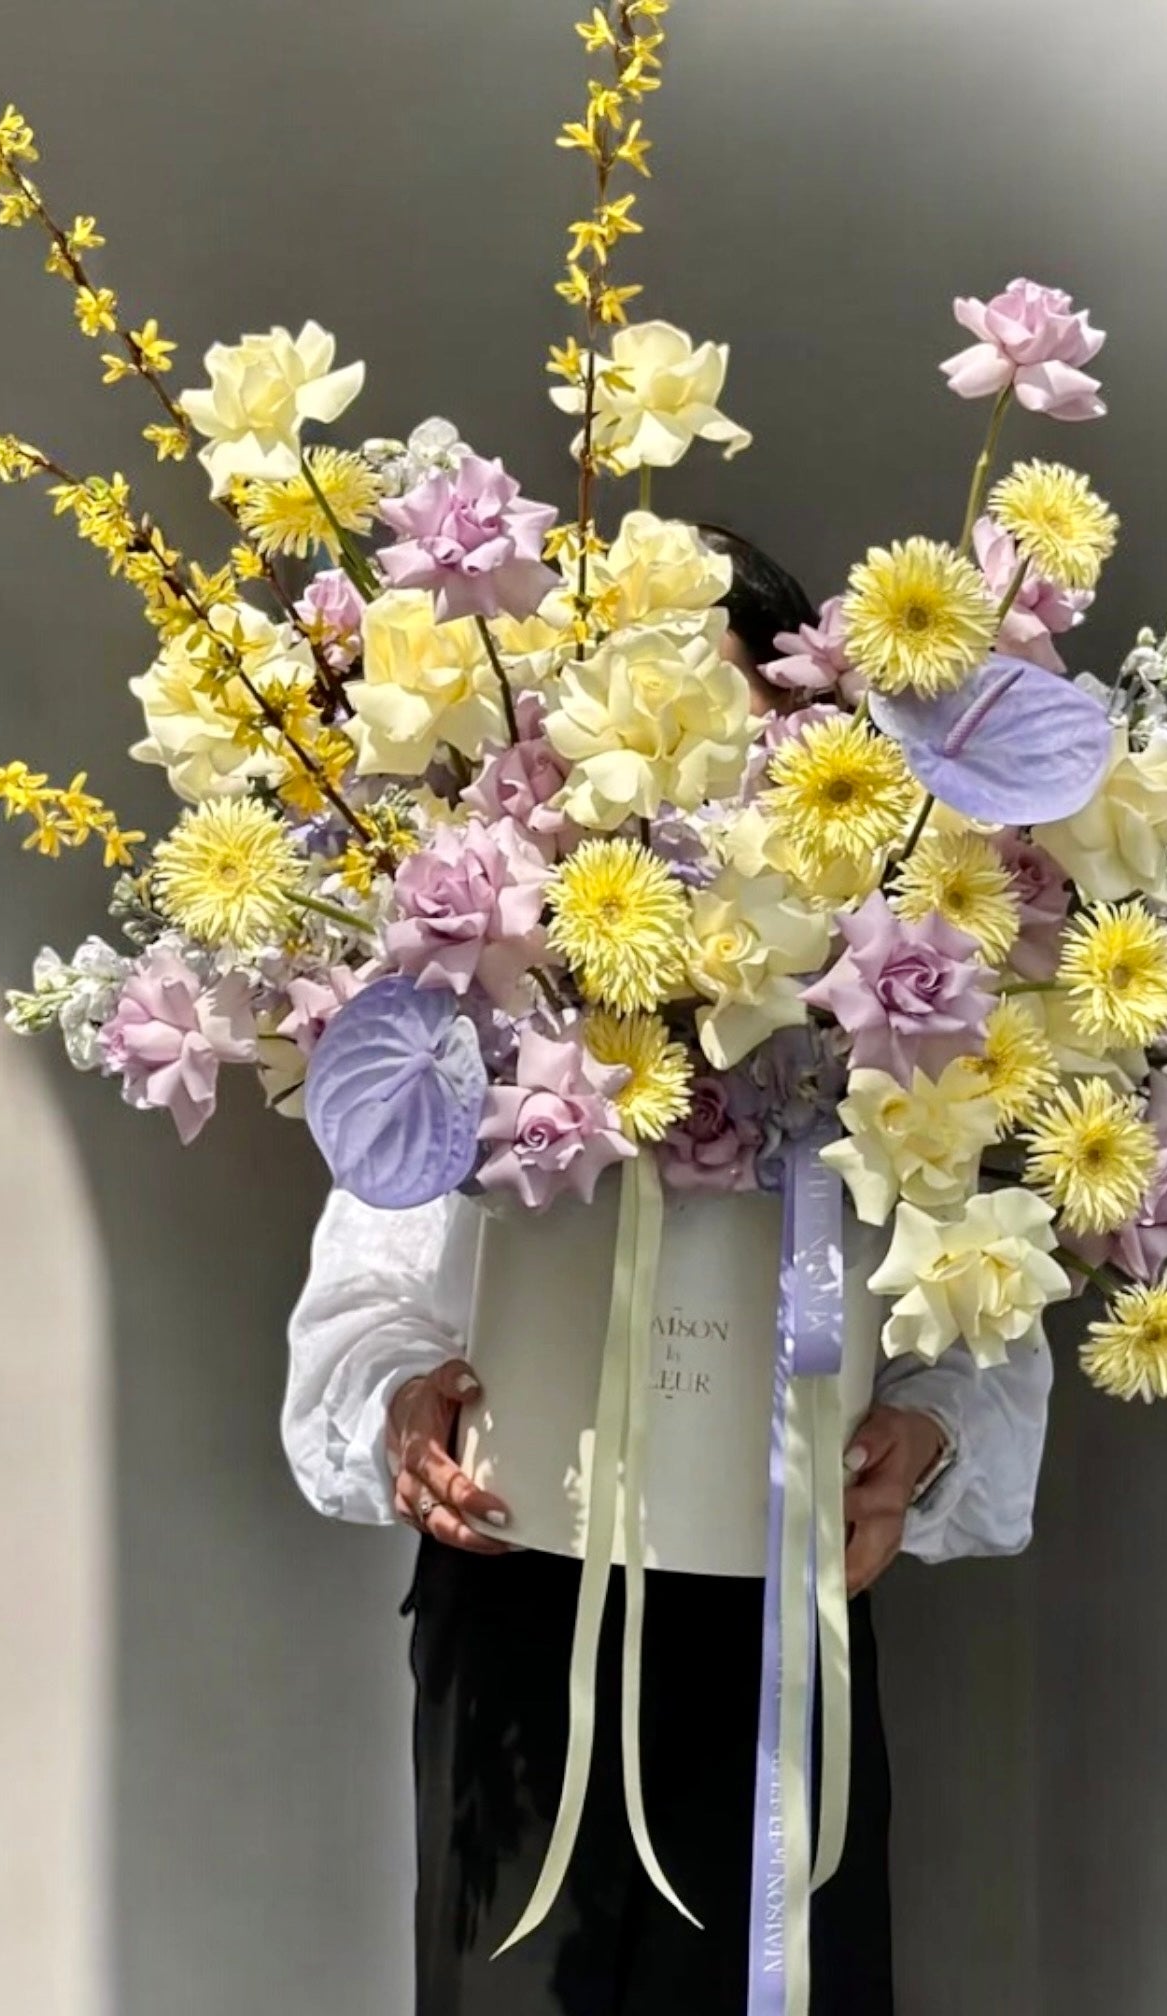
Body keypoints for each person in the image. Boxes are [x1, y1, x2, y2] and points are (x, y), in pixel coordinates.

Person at [282, 527, 1053, 2015]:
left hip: (782, 1613)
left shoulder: (885, 1005)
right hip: (521, 1598)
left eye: (719, 726)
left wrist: (926, 1440)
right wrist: (401, 1411)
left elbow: (978, 1304)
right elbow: (370, 1288)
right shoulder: (475, 1002)